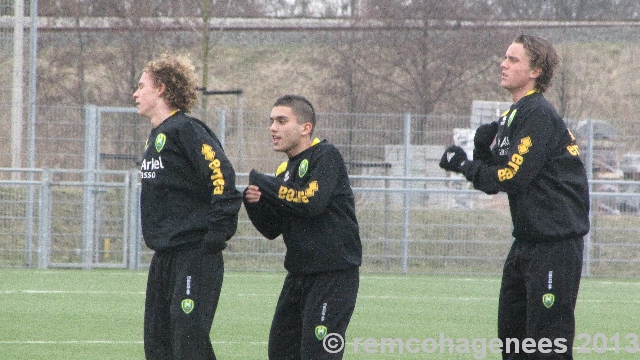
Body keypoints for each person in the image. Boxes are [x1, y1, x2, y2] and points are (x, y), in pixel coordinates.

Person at [439, 35, 590, 359]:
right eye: (505, 57)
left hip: (555, 245)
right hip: (526, 242)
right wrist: (481, 153)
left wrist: (466, 165)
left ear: (535, 71)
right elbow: (496, 179)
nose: (503, 64)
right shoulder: (512, 117)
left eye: (513, 59)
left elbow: (513, 177)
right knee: (513, 343)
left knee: (546, 347)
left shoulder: (536, 114)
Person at [134, 52, 242, 360]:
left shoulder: (187, 130)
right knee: (158, 345)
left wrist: (215, 235)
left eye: (142, 86)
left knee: (188, 343)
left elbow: (223, 178)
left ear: (162, 89)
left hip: (195, 254)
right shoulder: (155, 137)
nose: (135, 93)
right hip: (164, 257)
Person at [243, 95, 362, 360]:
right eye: (271, 121)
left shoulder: (326, 156)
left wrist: (266, 184)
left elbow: (310, 201)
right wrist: (254, 203)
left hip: (332, 275)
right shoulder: (285, 170)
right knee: (281, 352)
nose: (273, 128)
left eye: (282, 121)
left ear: (305, 128)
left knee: (317, 354)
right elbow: (272, 229)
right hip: (298, 276)